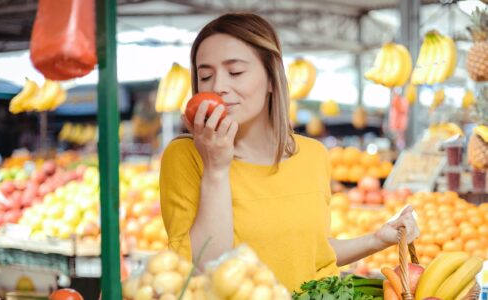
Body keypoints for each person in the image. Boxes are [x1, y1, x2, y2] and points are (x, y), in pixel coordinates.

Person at [159, 13, 419, 291]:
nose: (218, 87)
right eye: (205, 75)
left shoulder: (313, 155)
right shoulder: (186, 156)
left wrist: (377, 240)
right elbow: (203, 271)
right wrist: (216, 168)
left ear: (272, 79)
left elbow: (310, 253)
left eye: (235, 72)